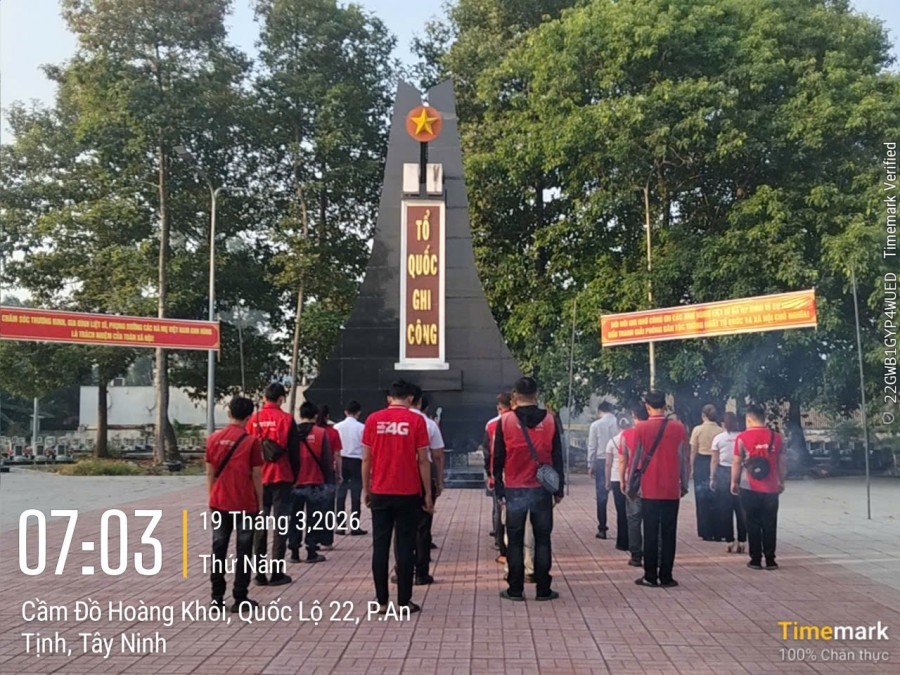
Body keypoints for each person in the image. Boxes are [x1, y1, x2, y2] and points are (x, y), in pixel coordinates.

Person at [362, 380, 432, 614]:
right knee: (405, 547)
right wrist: (428, 493)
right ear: (410, 398)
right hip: (408, 492)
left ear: (389, 398)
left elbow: (366, 459)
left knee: (380, 547)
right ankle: (403, 602)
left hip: (380, 490)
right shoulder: (417, 421)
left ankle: (382, 601)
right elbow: (423, 460)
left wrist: (366, 488)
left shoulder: (373, 419)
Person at [494, 376, 564, 601]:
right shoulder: (550, 420)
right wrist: (558, 490)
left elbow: (498, 458)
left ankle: (515, 589)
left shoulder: (505, 421)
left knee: (515, 540)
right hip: (542, 489)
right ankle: (543, 589)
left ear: (515, 395)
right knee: (542, 539)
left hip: (514, 489)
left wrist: (499, 489)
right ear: (536, 395)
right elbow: (558, 457)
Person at [624, 391, 689, 588]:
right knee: (669, 533)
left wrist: (630, 484)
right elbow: (683, 458)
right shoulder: (678, 427)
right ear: (665, 405)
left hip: (649, 488)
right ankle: (666, 576)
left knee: (650, 532)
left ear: (647, 406)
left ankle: (650, 576)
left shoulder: (641, 428)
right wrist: (684, 484)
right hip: (671, 488)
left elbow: (635, 459)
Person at [206, 396, 263, 612]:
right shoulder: (252, 442)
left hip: (219, 502)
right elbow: (257, 475)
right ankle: (240, 597)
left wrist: (212, 497)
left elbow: (210, 472)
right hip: (245, 504)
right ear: (249, 417)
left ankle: (216, 598)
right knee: (244, 551)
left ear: (229, 413)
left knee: (218, 549)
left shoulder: (213, 439)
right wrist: (260, 503)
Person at [246, 382, 297, 587]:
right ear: (281, 399)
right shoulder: (287, 419)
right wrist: (295, 478)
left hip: (258, 478)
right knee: (280, 525)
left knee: (259, 525)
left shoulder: (253, 420)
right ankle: (276, 573)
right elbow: (295, 453)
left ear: (264, 398)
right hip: (281, 476)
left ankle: (259, 574)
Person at [731, 404, 786, 570]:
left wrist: (734, 482)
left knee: (752, 523)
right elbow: (782, 462)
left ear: (749, 419)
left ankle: (755, 559)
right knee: (770, 523)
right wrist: (781, 481)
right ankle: (770, 560)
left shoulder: (742, 437)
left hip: (749, 487)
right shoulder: (777, 437)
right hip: (771, 488)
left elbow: (736, 462)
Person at [288, 401, 334, 564]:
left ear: (300, 415)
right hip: (316, 481)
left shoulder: (292, 432)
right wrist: (330, 480)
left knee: (294, 518)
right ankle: (311, 551)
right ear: (315, 416)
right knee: (314, 518)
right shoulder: (321, 433)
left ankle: (294, 551)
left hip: (295, 483)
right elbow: (327, 460)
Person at [408, 388, 444, 585]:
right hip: (425, 475)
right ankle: (421, 572)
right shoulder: (429, 424)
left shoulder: (390, 421)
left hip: (400, 475)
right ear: (420, 402)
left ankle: (402, 570)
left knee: (402, 526)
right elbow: (437, 455)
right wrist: (439, 481)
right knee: (423, 524)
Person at [619, 403, 649, 567]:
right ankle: (656, 555)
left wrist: (622, 480)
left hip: (634, 480)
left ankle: (636, 555)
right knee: (654, 519)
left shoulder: (627, 434)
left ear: (634, 416)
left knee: (634, 518)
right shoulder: (657, 431)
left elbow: (623, 459)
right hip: (653, 480)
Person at [484, 392, 513, 563]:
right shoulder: (519, 421)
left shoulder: (491, 424)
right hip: (517, 475)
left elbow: (488, 453)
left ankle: (500, 544)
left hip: (499, 474)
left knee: (498, 509)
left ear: (498, 407)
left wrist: (490, 474)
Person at [710, 412, 745, 553]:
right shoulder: (742, 437)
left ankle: (729, 540)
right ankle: (742, 540)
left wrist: (712, 477)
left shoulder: (718, 438)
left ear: (723, 423)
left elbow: (714, 460)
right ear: (737, 422)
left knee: (725, 509)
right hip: (740, 472)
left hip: (723, 472)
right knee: (741, 509)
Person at [334, 401, 367, 536]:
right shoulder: (362, 428)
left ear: (345, 412)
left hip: (341, 460)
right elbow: (365, 447)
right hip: (356, 461)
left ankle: (340, 525)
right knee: (355, 494)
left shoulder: (337, 427)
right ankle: (354, 526)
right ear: (359, 412)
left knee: (341, 494)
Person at [690, 404, 722, 541]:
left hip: (701, 462)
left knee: (702, 497)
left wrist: (691, 467)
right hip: (717, 463)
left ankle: (705, 530)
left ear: (703, 415)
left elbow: (693, 450)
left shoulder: (697, 429)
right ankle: (718, 530)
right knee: (716, 497)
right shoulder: (720, 430)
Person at [587, 401, 618, 539]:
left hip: (601, 461)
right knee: (620, 496)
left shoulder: (596, 425)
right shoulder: (618, 422)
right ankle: (624, 530)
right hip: (617, 461)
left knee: (601, 496)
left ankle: (602, 528)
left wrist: (590, 464)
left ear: (600, 411)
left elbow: (592, 446)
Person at [315, 405, 342, 550]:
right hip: (328, 471)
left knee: (313, 507)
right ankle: (326, 540)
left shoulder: (309, 431)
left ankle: (313, 540)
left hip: (312, 472)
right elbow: (337, 455)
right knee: (328, 507)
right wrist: (339, 474)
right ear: (328, 416)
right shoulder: (332, 432)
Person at [605, 417, 632, 552]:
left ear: (617, 426)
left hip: (616, 478)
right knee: (633, 512)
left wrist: (607, 480)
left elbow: (608, 463)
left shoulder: (612, 441)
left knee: (621, 511)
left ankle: (622, 542)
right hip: (631, 477)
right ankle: (634, 540)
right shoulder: (632, 438)